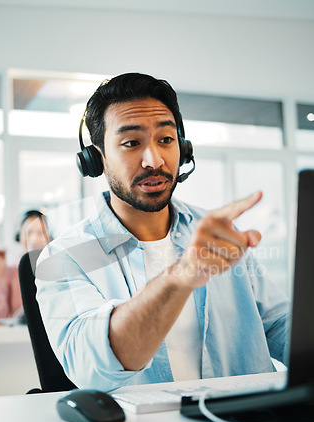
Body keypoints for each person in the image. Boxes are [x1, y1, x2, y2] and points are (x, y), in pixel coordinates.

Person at [35, 73, 289, 392]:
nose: (154, 160)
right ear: (96, 159)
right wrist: (184, 274)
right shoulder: (66, 257)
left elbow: (280, 326)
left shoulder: (219, 234)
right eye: (131, 143)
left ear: (183, 148)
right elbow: (91, 367)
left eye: (166, 140)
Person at [0, 210, 49, 322]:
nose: (34, 238)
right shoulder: (9, 273)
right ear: (20, 235)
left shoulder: (53, 272)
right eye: (29, 232)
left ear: (46, 236)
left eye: (40, 232)